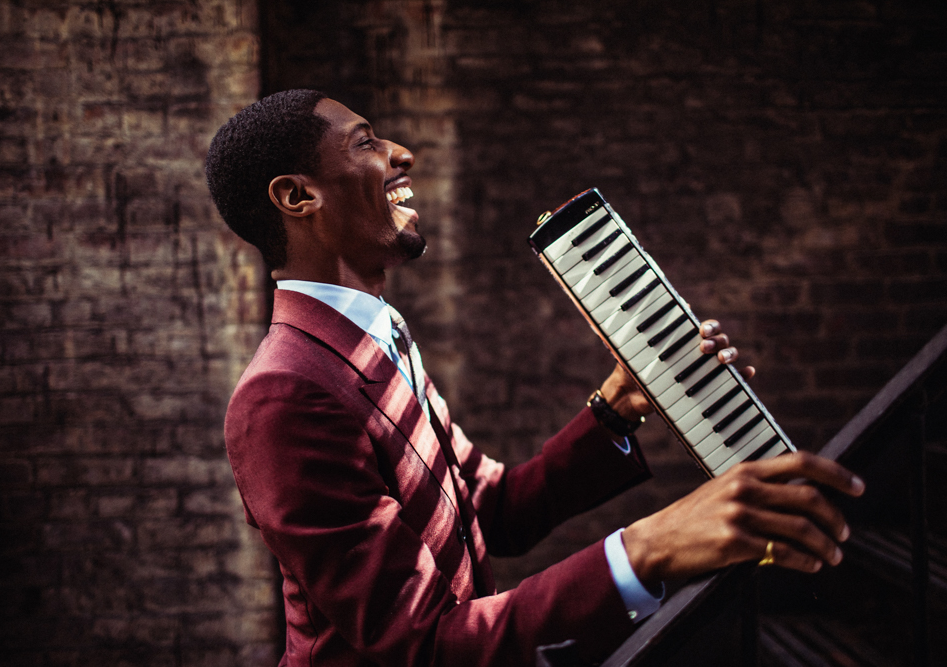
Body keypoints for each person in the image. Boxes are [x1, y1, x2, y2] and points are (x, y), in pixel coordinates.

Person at [205, 89, 865, 666]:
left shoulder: (376, 334)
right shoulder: (283, 397)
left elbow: (489, 512)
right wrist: (649, 547)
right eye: (368, 142)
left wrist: (617, 406)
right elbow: (424, 644)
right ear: (297, 196)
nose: (402, 154)